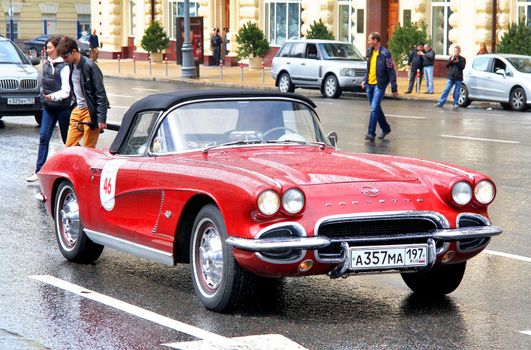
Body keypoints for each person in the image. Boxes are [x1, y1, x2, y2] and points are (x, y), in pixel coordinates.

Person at [26, 36, 72, 182]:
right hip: (48, 107)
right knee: (43, 137)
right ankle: (38, 171)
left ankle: (73, 170)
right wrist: (43, 96)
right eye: (47, 47)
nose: (47, 50)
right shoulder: (46, 64)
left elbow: (66, 91)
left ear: (58, 49)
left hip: (63, 108)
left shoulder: (64, 67)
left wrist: (53, 97)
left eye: (50, 47)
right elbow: (43, 85)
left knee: (68, 140)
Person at [56, 36, 109, 148]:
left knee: (88, 148)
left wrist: (101, 118)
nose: (64, 60)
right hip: (77, 109)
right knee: (69, 146)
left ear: (74, 52)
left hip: (90, 111)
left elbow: (100, 93)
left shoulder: (90, 66)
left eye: (66, 57)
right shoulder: (70, 66)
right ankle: (76, 165)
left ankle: (87, 165)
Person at [361, 32, 398, 142]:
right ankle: (385, 128)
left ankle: (371, 133)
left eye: (369, 40)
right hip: (369, 84)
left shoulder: (386, 53)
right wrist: (364, 80)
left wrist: (394, 87)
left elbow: (391, 70)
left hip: (380, 84)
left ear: (375, 40)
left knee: (373, 108)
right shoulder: (370, 51)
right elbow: (369, 68)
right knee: (375, 108)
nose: (368, 42)